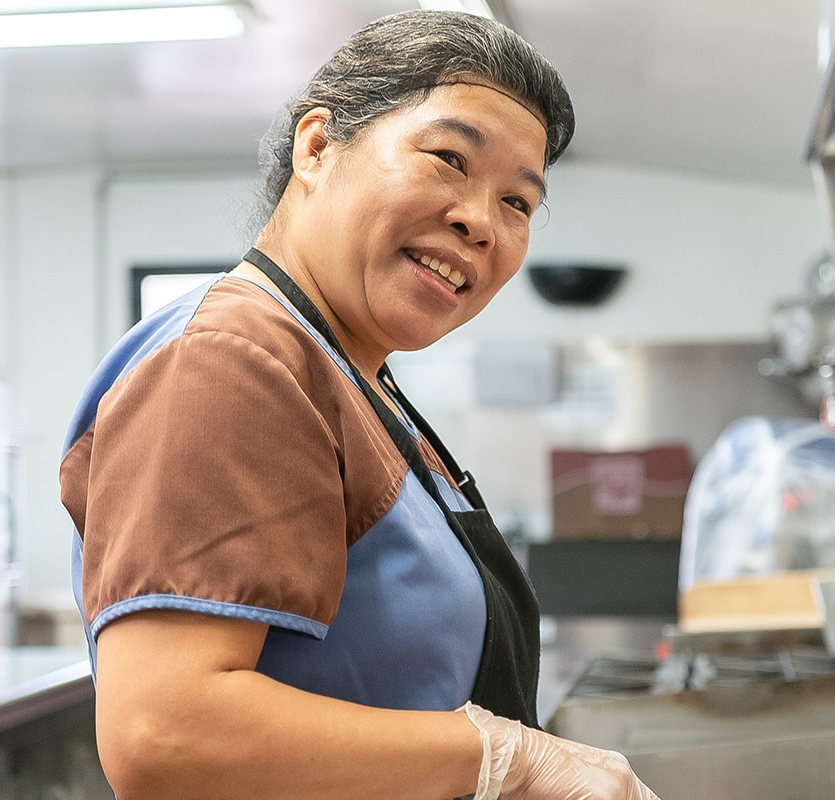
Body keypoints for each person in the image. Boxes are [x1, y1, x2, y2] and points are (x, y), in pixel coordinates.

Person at [60, 9, 660, 800]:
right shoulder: (231, 356)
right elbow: (165, 733)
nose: (480, 221)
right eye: (449, 158)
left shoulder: (358, 379)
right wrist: (505, 759)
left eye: (518, 203)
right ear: (317, 147)